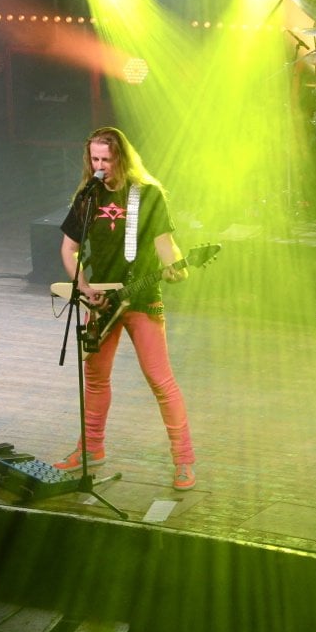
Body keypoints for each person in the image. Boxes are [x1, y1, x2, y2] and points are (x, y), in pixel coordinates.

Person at [55, 126, 198, 491]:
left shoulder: (147, 194)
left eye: (106, 159)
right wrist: (84, 288)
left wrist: (177, 266)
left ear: (121, 158)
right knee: (95, 378)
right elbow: (68, 250)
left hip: (141, 297)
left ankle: (183, 460)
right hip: (101, 300)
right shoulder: (88, 197)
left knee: (160, 379)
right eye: (95, 159)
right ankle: (91, 449)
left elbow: (166, 245)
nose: (100, 166)